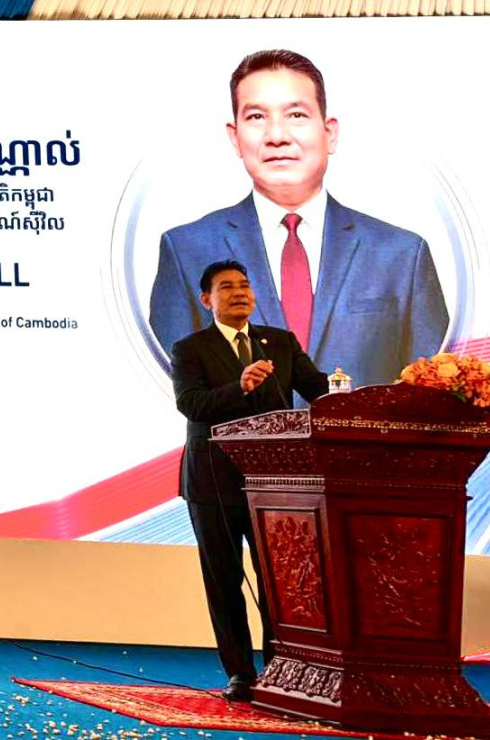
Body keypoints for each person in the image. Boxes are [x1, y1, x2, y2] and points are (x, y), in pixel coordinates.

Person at [151, 49, 448, 391]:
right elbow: (167, 389)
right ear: (235, 137)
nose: (277, 135)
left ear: (329, 133)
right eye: (256, 117)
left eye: (296, 114)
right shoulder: (185, 250)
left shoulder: (402, 254)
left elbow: (435, 395)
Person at [170, 259, 328, 702]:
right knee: (224, 580)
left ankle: (281, 668)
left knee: (279, 580)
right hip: (213, 482)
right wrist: (238, 386)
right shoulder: (190, 348)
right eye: (226, 287)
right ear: (207, 300)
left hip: (275, 483)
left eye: (244, 285)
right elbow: (192, 405)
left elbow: (318, 389)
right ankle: (240, 673)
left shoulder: (278, 342)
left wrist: (349, 397)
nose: (239, 292)